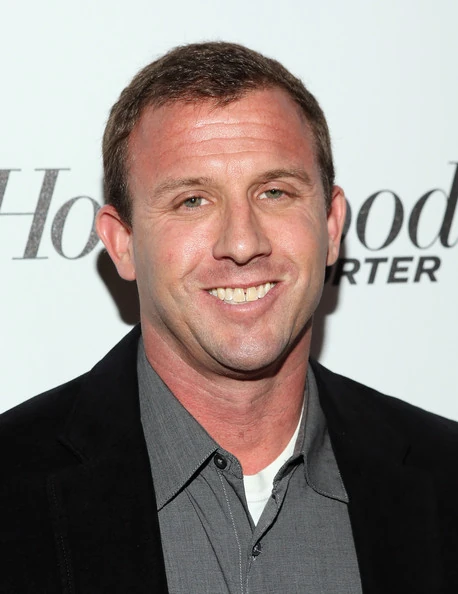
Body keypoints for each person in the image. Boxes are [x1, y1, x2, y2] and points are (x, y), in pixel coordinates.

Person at [1, 41, 457, 594]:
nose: (242, 243)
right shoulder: (13, 485)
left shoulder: (445, 474)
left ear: (332, 225)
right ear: (122, 243)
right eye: (192, 200)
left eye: (274, 192)